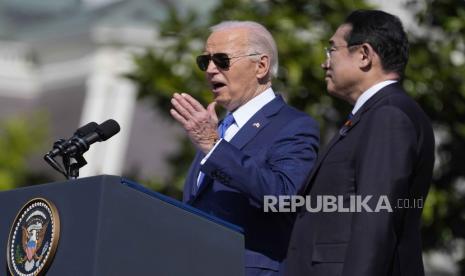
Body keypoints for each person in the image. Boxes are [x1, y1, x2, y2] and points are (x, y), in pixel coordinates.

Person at [285, 10, 435, 276]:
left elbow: (375, 222)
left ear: (365, 55)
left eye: (332, 49)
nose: (325, 62)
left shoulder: (388, 115)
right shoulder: (372, 115)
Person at [170, 21, 319, 275]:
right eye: (205, 61)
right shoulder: (218, 127)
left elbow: (283, 197)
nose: (211, 70)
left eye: (222, 60)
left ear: (261, 66)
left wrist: (213, 147)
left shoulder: (294, 125)